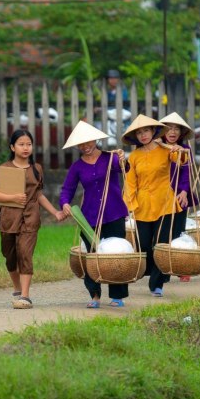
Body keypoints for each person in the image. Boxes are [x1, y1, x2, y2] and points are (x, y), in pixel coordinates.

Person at [0, 129, 66, 310]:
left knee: (25, 253)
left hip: (31, 217)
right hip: (8, 218)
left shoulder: (36, 169)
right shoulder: (4, 169)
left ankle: (25, 296)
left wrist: (55, 212)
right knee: (9, 255)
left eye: (28, 144)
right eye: (21, 144)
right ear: (12, 147)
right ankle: (16, 288)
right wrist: (12, 198)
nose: (25, 148)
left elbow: (38, 194)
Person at [59, 121, 129, 308]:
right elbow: (67, 190)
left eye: (88, 142)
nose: (85, 147)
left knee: (116, 255)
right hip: (89, 218)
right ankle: (95, 296)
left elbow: (125, 168)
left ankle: (117, 296)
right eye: (81, 144)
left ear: (95, 140)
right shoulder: (76, 167)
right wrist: (65, 203)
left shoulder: (110, 157)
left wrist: (123, 159)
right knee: (92, 256)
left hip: (114, 213)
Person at [122, 114, 184, 297]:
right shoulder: (133, 157)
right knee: (144, 245)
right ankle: (151, 271)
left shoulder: (165, 149)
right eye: (139, 133)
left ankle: (157, 283)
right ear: (136, 137)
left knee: (161, 244)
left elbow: (181, 160)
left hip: (165, 202)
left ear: (153, 131)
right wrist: (130, 205)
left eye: (146, 131)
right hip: (143, 205)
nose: (143, 135)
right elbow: (130, 183)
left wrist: (179, 150)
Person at [159, 112, 195, 281]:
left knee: (179, 230)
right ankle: (163, 270)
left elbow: (187, 172)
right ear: (163, 132)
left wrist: (183, 191)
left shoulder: (185, 149)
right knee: (163, 231)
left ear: (181, 133)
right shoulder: (157, 147)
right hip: (160, 195)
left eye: (176, 129)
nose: (172, 132)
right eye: (169, 129)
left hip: (180, 194)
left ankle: (182, 268)